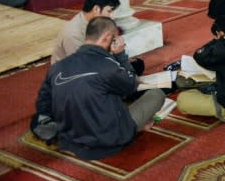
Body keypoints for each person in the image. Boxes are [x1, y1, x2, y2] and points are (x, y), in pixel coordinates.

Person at [34, 17, 165, 159]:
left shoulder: (57, 67)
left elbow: (43, 104)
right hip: (108, 140)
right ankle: (134, 128)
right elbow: (132, 84)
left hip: (69, 139)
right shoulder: (108, 66)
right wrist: (120, 55)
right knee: (157, 94)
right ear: (108, 38)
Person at [50, 0, 143, 76]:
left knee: (137, 64)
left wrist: (117, 59)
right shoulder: (73, 34)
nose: (112, 16)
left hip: (92, 62)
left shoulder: (96, 23)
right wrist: (117, 61)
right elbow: (83, 67)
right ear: (96, 9)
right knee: (124, 75)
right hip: (71, 75)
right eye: (109, 11)